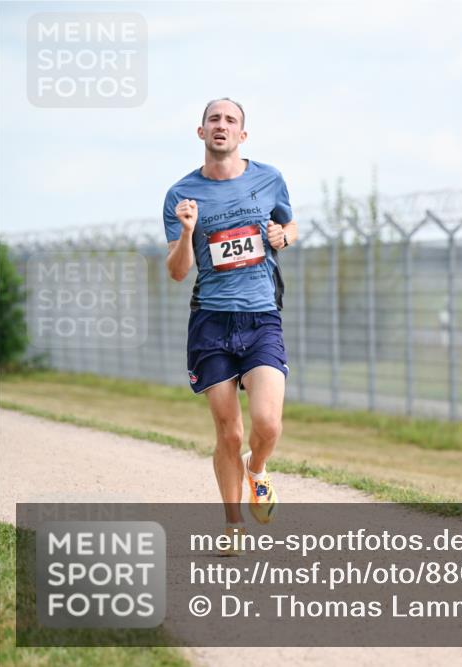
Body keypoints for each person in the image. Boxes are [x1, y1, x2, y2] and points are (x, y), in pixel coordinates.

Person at [163, 98, 296, 553]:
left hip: (261, 317)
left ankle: (256, 470)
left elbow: (289, 226)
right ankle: (233, 523)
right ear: (201, 133)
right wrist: (186, 233)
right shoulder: (181, 196)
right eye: (214, 120)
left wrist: (284, 235)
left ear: (243, 135)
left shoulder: (269, 178)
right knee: (230, 432)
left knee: (267, 423)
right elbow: (178, 272)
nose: (222, 126)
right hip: (212, 323)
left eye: (231, 120)